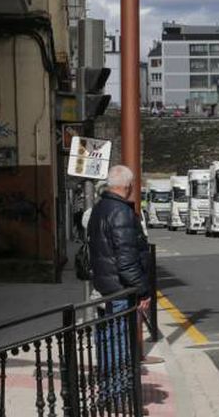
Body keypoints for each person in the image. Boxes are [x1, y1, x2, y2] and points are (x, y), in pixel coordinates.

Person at [88, 165, 153, 402]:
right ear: (128, 186)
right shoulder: (121, 212)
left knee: (106, 343)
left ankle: (108, 393)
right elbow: (126, 261)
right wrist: (143, 291)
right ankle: (119, 398)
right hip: (120, 291)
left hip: (103, 288)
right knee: (119, 345)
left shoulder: (99, 209)